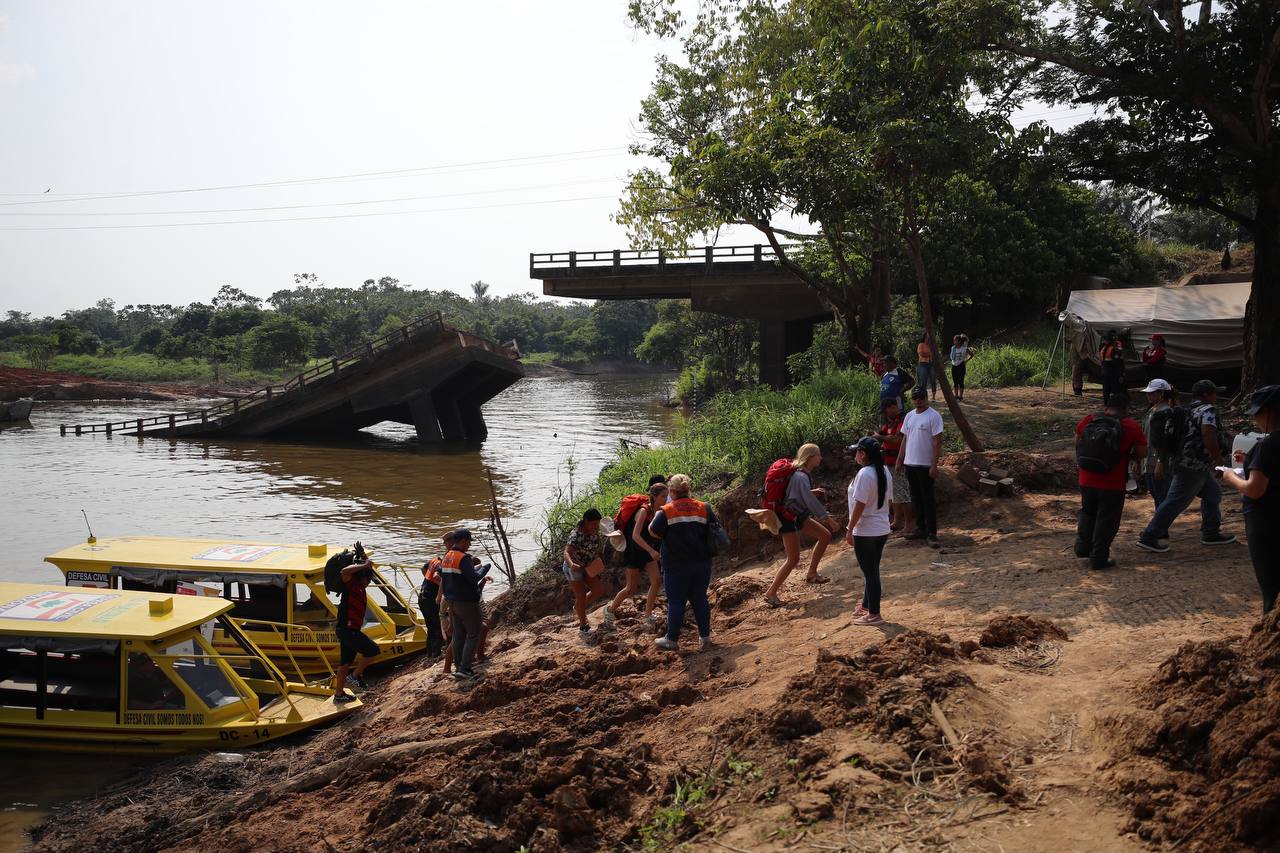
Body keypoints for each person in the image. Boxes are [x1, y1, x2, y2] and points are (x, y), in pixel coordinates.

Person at [1136, 379, 1237, 552]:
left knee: (1213, 494)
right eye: (1214, 393)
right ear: (1206, 394)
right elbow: (1208, 434)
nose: (1216, 396)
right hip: (1192, 465)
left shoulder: (1185, 409)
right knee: (1175, 502)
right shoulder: (1208, 410)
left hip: (1192, 464)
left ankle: (1211, 532)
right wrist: (1219, 462)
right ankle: (1150, 536)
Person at [1221, 385, 1280, 613]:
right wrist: (1250, 461)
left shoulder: (1266, 446)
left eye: (1256, 413)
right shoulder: (1264, 449)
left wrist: (1229, 477)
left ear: (1267, 412)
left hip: (1267, 523)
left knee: (1271, 590)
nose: (1254, 419)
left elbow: (1255, 489)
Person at [1074, 393, 1146, 569]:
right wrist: (1127, 456)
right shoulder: (1131, 426)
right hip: (1112, 482)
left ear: (1106, 406)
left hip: (1086, 477)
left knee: (1088, 512)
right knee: (1107, 519)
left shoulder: (1089, 419)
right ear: (1126, 408)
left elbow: (1078, 443)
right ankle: (1099, 558)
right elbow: (1142, 452)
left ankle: (1083, 548)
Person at [763, 443, 840, 606]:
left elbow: (794, 495)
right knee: (793, 559)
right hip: (788, 518)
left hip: (796, 515)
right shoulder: (800, 476)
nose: (821, 458)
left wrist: (811, 492)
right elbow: (810, 501)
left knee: (824, 536)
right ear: (810, 457)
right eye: (818, 455)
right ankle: (771, 593)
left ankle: (812, 573)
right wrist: (828, 519)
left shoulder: (800, 474)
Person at [648, 473, 718, 651]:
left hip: (676, 564)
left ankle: (671, 639)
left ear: (671, 491)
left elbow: (653, 531)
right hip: (702, 562)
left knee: (677, 602)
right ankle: (705, 638)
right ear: (689, 489)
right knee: (700, 598)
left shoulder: (667, 510)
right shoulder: (704, 507)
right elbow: (715, 529)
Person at [604, 480, 668, 628]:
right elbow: (635, 536)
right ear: (654, 497)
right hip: (634, 552)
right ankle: (610, 610)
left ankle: (648, 615)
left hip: (646, 552)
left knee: (657, 581)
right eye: (663, 496)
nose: (666, 499)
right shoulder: (644, 511)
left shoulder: (658, 511)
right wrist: (652, 550)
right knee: (630, 588)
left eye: (667, 496)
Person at [846, 436, 892, 627]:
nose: (856, 454)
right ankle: (866, 605)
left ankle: (874, 614)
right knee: (871, 570)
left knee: (871, 573)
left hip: (866, 530)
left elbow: (859, 505)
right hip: (881, 528)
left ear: (863, 454)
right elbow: (889, 501)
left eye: (857, 451)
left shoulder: (865, 474)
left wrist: (850, 528)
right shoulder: (884, 471)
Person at [896, 387, 944, 546]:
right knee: (916, 498)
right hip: (910, 464)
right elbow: (905, 439)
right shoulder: (909, 416)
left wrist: (934, 465)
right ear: (912, 399)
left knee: (928, 499)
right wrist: (899, 459)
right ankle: (921, 528)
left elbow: (937, 442)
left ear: (926, 398)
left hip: (925, 465)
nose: (918, 400)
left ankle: (932, 533)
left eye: (921, 397)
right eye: (915, 397)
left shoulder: (934, 416)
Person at [440, 528, 489, 680]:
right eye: (468, 542)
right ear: (463, 541)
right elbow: (474, 578)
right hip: (466, 602)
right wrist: (485, 568)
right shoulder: (463, 558)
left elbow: (445, 576)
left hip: (452, 603)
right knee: (474, 633)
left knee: (459, 636)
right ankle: (465, 668)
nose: (469, 545)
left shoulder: (447, 556)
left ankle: (458, 666)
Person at [333, 548, 379, 701]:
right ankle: (355, 676)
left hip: (349, 630)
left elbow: (369, 568)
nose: (368, 583)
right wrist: (365, 564)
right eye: (367, 580)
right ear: (361, 578)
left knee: (345, 663)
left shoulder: (360, 586)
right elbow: (345, 571)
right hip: (347, 630)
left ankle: (338, 695)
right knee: (373, 650)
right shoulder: (351, 585)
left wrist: (365, 559)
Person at [562, 508, 607, 635]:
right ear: (586, 521)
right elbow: (566, 553)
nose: (595, 526)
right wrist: (572, 564)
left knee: (598, 590)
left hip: (589, 566)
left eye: (597, 524)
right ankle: (583, 625)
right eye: (593, 524)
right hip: (573, 568)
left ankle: (578, 608)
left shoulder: (594, 530)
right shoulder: (576, 535)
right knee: (580, 595)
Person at [874, 398, 912, 534]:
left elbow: (898, 440)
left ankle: (908, 524)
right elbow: (882, 433)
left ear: (892, 407)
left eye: (885, 411)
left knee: (903, 493)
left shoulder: (902, 420)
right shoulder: (890, 422)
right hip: (889, 462)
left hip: (899, 462)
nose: (884, 414)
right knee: (894, 493)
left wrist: (879, 437)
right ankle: (897, 520)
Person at [1140, 379, 1177, 507]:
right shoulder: (1153, 410)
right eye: (1148, 393)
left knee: (1162, 497)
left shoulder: (1165, 412)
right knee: (1157, 496)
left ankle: (1159, 526)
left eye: (1152, 393)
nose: (1148, 395)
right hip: (1149, 460)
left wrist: (1161, 463)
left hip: (1160, 462)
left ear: (1161, 394)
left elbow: (1165, 441)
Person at [418, 532, 453, 659]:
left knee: (431, 627)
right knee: (438, 626)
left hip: (422, 597)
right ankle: (436, 655)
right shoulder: (441, 563)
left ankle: (430, 654)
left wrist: (430, 584)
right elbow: (437, 577)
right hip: (431, 598)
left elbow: (423, 569)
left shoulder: (434, 560)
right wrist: (443, 589)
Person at [1099, 332, 1126, 403]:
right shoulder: (1112, 349)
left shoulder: (1103, 348)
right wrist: (1121, 374)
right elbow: (1117, 363)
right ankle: (1114, 405)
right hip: (1112, 373)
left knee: (1106, 390)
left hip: (1105, 371)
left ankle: (1107, 404)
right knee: (1115, 390)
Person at [949, 335, 974, 401]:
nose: (954, 341)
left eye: (955, 340)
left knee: (961, 381)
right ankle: (956, 396)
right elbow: (951, 358)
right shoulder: (953, 348)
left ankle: (960, 396)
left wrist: (966, 361)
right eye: (954, 340)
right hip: (954, 366)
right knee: (955, 382)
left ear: (959, 341)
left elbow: (972, 354)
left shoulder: (964, 348)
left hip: (961, 366)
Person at [916, 332, 938, 400]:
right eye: (927, 337)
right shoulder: (921, 345)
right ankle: (924, 397)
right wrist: (930, 354)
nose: (929, 339)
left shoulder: (932, 345)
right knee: (923, 381)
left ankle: (933, 396)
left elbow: (935, 354)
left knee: (933, 380)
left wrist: (929, 354)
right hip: (923, 364)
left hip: (931, 364)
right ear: (924, 337)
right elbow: (922, 354)